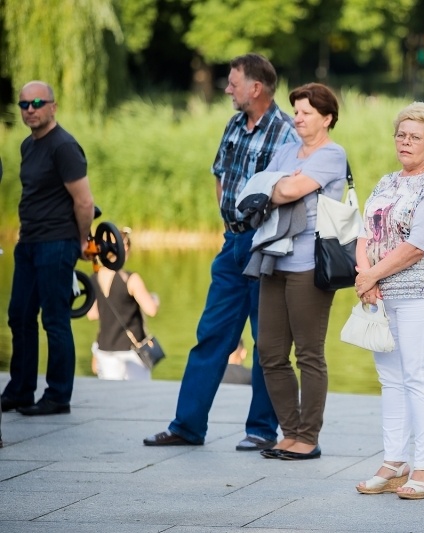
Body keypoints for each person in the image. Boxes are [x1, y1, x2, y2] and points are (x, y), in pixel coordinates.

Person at [144, 53, 298, 451]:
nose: (227, 89)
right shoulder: (233, 124)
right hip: (231, 243)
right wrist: (229, 227)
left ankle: (262, 430)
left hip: (265, 247)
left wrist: (255, 234)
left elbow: (291, 192)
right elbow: (220, 177)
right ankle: (187, 426)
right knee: (210, 335)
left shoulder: (285, 132)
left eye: (233, 83)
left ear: (256, 88)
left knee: (267, 341)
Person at [354, 102, 424, 499]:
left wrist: (372, 275)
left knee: (418, 376)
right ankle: (395, 461)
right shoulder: (385, 183)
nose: (406, 142)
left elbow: (417, 246)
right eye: (401, 134)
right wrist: (365, 275)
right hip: (382, 293)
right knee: (390, 379)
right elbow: (366, 232)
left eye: (415, 137)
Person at [255, 83, 347, 461]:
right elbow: (258, 188)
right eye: (296, 111)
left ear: (327, 118)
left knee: (309, 354)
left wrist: (280, 184)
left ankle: (308, 436)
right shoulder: (286, 150)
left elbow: (286, 191)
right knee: (270, 354)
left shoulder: (332, 155)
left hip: (310, 264)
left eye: (307, 112)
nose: (298, 118)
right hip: (274, 260)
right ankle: (289, 431)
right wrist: (279, 185)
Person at [1, 81, 94, 416]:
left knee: (54, 320)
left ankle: (57, 396)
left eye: (37, 103)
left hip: (57, 243)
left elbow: (84, 201)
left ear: (53, 106)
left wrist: (83, 241)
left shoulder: (64, 146)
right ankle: (21, 391)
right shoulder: (28, 146)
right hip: (28, 243)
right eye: (24, 104)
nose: (30, 109)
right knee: (19, 316)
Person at [87, 228, 160, 380]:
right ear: (124, 249)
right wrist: (154, 299)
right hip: (131, 352)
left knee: (111, 397)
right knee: (138, 397)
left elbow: (92, 314)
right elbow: (151, 310)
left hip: (105, 349)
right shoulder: (131, 279)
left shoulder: (95, 278)